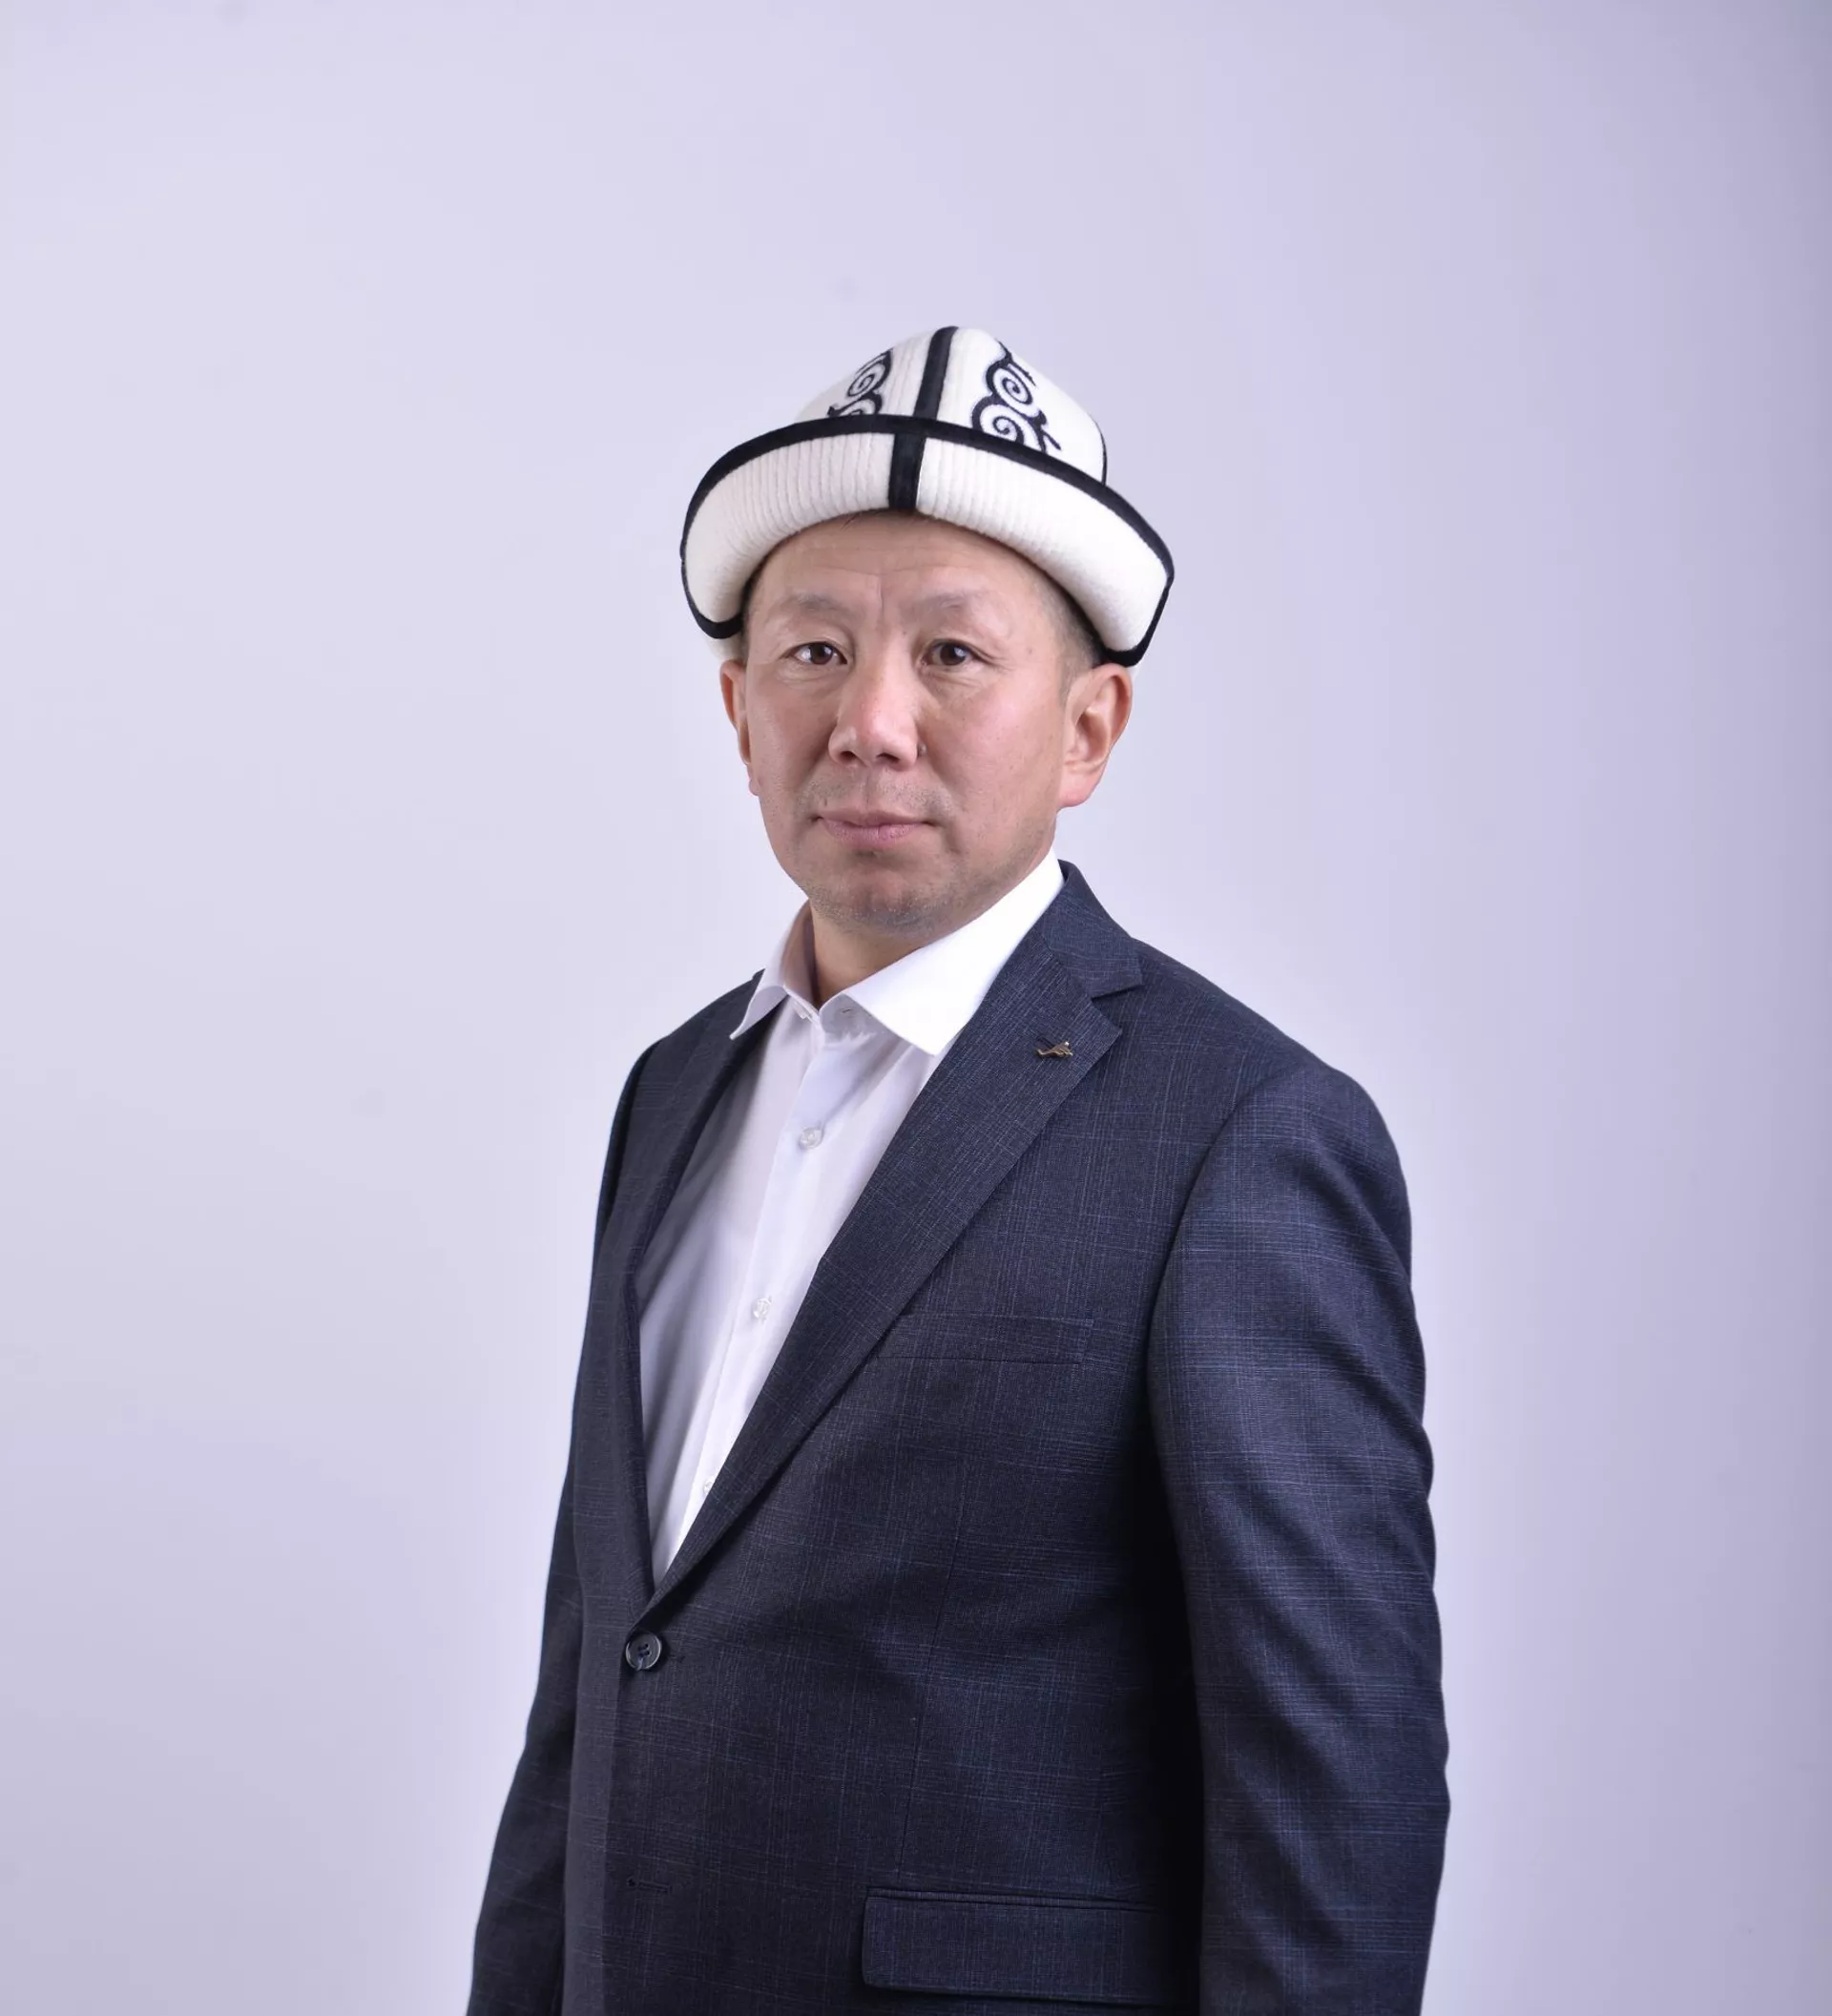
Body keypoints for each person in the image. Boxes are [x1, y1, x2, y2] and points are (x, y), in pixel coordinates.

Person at [467, 327, 1448, 2014]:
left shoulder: (1238, 1135)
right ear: (737, 709)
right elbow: (601, 1683)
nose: (870, 722)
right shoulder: (670, 1094)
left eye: (952, 654)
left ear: (1088, 728)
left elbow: (1334, 1799)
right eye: (815, 650)